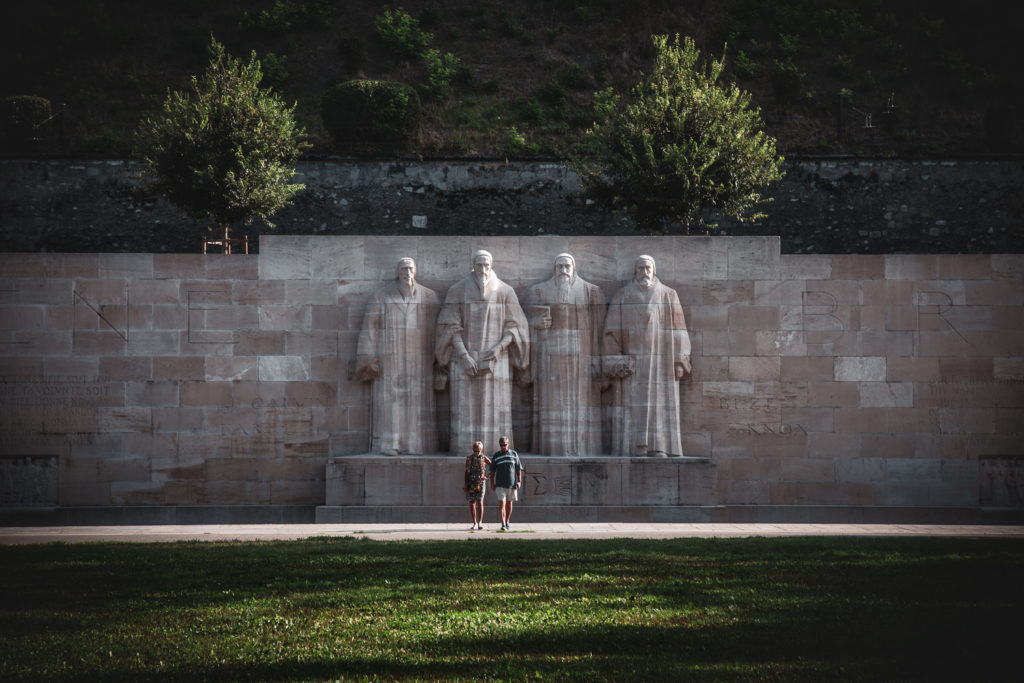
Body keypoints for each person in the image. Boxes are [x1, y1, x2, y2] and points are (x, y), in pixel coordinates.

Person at [435, 249, 529, 456]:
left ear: (492, 266)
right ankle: (463, 450)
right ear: (473, 265)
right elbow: (449, 325)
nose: (483, 269)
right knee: (464, 408)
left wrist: (498, 349)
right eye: (479, 265)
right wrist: (463, 355)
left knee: (496, 408)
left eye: (487, 265)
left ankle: (498, 451)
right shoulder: (458, 290)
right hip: (463, 359)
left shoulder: (505, 291)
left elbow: (515, 327)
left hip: (498, 360)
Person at [603, 255, 692, 457]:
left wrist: (680, 359)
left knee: (660, 405)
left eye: (648, 268)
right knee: (631, 404)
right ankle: (632, 447)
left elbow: (680, 330)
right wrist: (615, 359)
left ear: (654, 270)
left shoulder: (668, 295)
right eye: (641, 268)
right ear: (635, 271)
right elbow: (611, 331)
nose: (644, 272)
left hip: (661, 362)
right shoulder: (622, 295)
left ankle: (659, 447)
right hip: (632, 363)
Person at [523, 253, 606, 455]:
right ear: (554, 268)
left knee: (581, 401)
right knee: (551, 400)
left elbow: (598, 330)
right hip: (549, 356)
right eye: (560, 266)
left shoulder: (590, 291)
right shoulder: (539, 291)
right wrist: (535, 325)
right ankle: (551, 447)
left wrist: (597, 360)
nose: (563, 270)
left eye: (567, 266)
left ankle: (582, 447)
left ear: (573, 268)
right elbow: (523, 323)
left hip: (581, 357)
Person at [355, 257, 440, 454]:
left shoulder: (429, 297)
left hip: (420, 358)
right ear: (397, 272)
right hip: (389, 358)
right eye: (403, 269)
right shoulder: (381, 296)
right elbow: (370, 328)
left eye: (410, 269)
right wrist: (369, 358)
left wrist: (440, 359)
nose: (407, 273)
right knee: (391, 401)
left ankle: (415, 444)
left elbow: (440, 329)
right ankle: (390, 444)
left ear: (415, 271)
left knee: (417, 399)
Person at [489, 436, 523, 531]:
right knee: (501, 504)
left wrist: (519, 481)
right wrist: (492, 483)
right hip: (500, 484)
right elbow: (492, 471)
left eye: (504, 445)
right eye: (501, 445)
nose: (503, 447)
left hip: (512, 484)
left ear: (508, 444)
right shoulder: (496, 455)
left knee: (509, 504)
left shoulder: (514, 454)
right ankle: (503, 523)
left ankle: (507, 522)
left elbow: (518, 469)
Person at [463, 441, 491, 530]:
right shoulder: (469, 459)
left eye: (478, 451)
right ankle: (474, 522)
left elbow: (493, 466)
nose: (477, 453)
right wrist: (466, 483)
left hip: (480, 482)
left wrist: (487, 476)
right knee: (472, 502)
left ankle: (480, 522)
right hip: (471, 482)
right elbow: (466, 472)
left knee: (480, 502)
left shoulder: (484, 458)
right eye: (475, 451)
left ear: (481, 450)